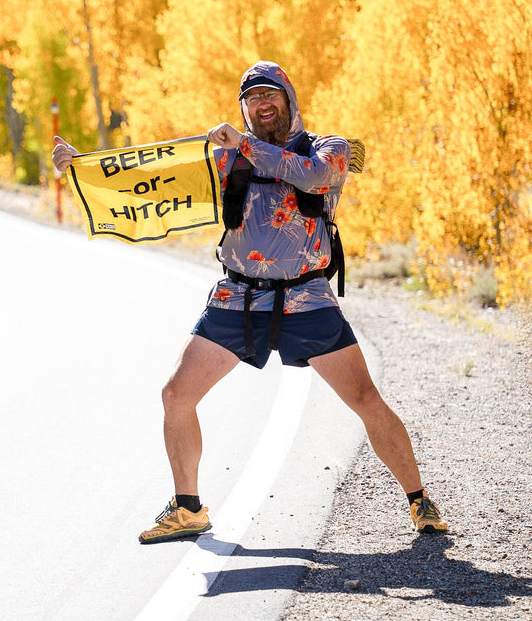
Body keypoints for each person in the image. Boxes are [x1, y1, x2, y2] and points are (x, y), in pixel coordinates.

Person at [51, 60, 448, 544]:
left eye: (270, 95)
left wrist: (243, 144)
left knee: (365, 400)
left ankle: (419, 500)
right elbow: (157, 174)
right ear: (244, 108)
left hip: (307, 298)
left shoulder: (330, 149)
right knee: (176, 395)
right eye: (252, 98)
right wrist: (83, 167)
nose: (262, 104)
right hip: (237, 296)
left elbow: (313, 177)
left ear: (289, 99)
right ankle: (187, 508)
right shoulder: (225, 158)